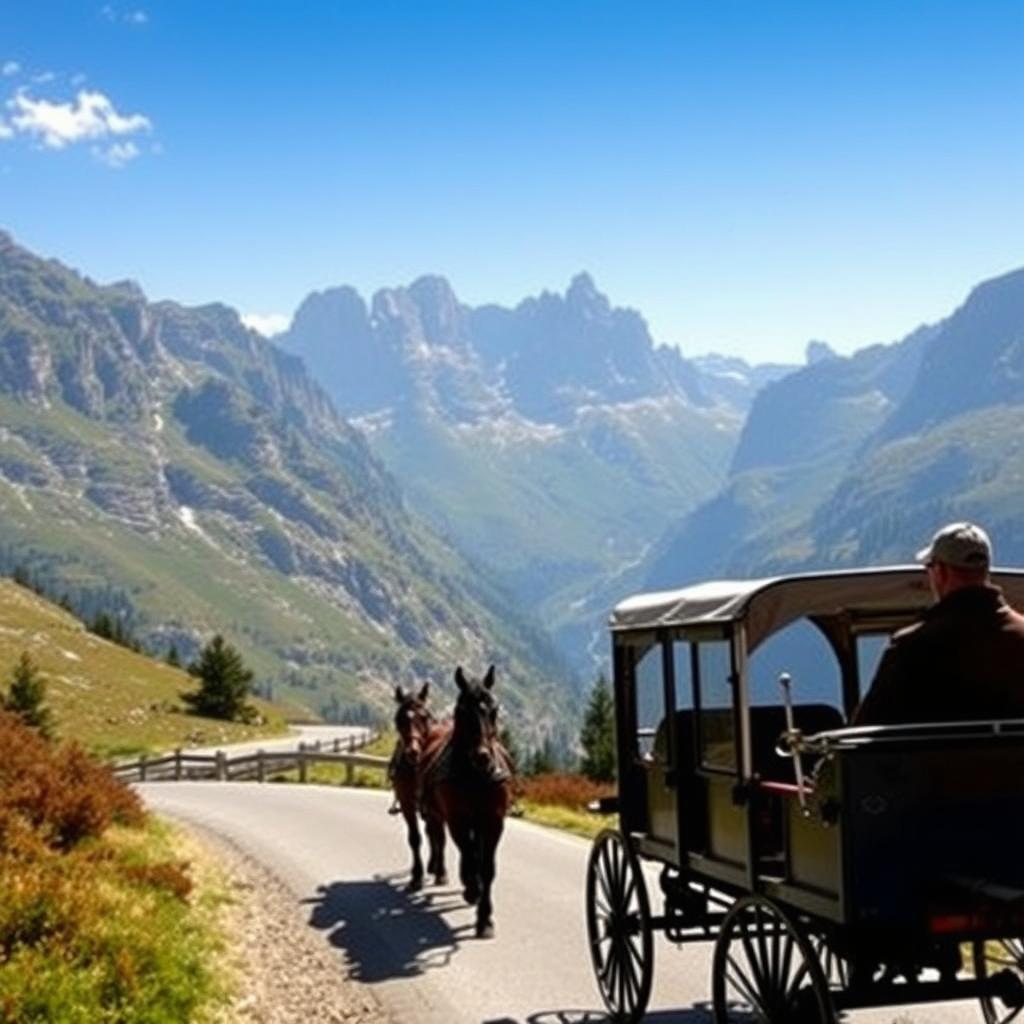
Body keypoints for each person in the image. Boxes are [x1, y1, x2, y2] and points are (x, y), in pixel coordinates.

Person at [853, 522, 1024, 725]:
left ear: (940, 571)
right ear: (986, 570)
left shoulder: (910, 647)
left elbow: (865, 731)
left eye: (929, 566)